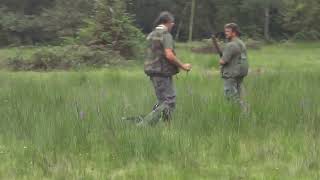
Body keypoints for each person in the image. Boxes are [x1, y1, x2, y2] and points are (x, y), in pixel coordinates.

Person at [139, 11, 192, 126]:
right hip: (162, 72)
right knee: (169, 101)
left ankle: (167, 127)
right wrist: (183, 66)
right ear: (167, 22)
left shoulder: (151, 34)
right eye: (172, 23)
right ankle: (144, 125)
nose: (173, 25)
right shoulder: (165, 35)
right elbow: (169, 55)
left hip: (153, 72)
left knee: (162, 101)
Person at [219, 23, 249, 110]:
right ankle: (244, 113)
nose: (226, 33)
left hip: (231, 74)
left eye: (228, 31)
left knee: (231, 97)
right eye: (225, 31)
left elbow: (223, 61)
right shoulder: (241, 43)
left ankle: (242, 112)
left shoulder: (231, 45)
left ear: (234, 32)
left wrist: (220, 60)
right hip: (240, 73)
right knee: (240, 96)